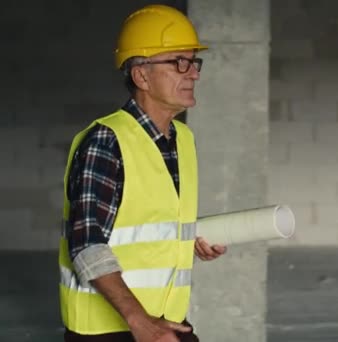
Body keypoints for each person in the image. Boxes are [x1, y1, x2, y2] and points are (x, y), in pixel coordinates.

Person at [58, 4, 226, 341]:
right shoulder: (106, 141)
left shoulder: (183, 138)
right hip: (110, 330)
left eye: (194, 62)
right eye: (179, 62)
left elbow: (142, 222)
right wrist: (140, 321)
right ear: (141, 76)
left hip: (165, 320)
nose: (192, 73)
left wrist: (186, 241)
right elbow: (87, 244)